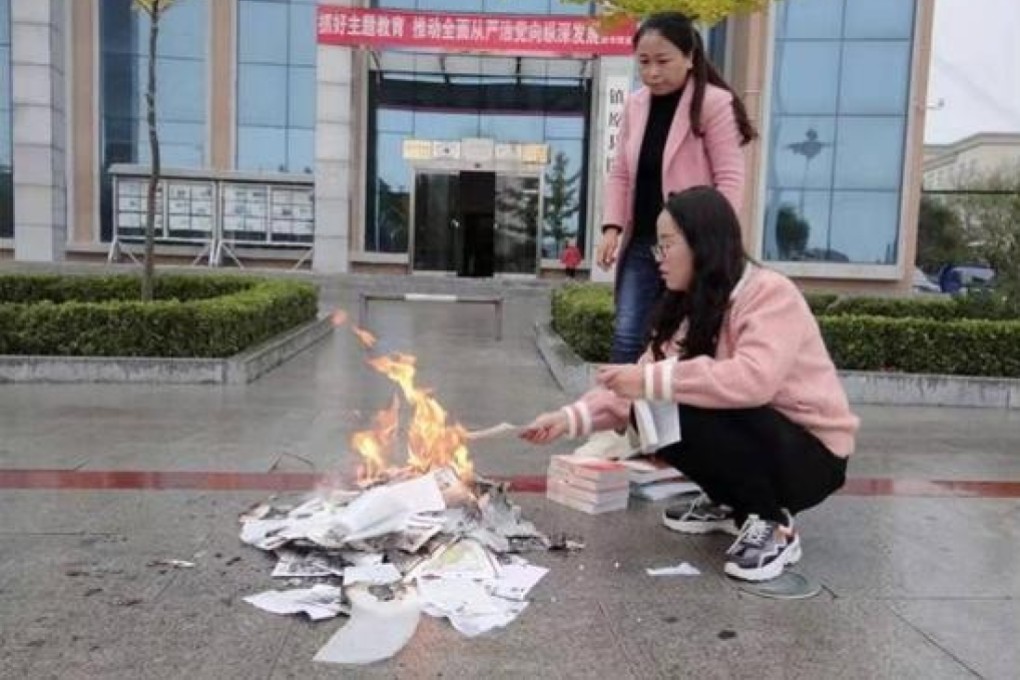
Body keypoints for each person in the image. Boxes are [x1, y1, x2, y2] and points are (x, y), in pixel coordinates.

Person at [522, 187, 859, 582]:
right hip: (763, 440)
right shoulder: (690, 307)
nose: (659, 258)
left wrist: (651, 381)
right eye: (657, 246)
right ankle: (732, 502)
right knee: (653, 411)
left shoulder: (769, 293)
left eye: (667, 244)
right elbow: (637, 390)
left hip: (810, 456)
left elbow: (754, 380)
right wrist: (567, 419)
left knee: (674, 404)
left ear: (703, 242)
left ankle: (772, 521)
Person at [598, 11, 757, 365]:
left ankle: (677, 401)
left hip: (693, 246)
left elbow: (730, 178)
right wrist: (611, 228)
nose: (652, 72)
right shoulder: (635, 105)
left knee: (686, 338)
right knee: (627, 335)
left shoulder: (713, 103)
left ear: (689, 57)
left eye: (663, 61)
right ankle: (621, 401)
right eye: (644, 62)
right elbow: (621, 173)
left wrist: (713, 239)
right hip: (643, 242)